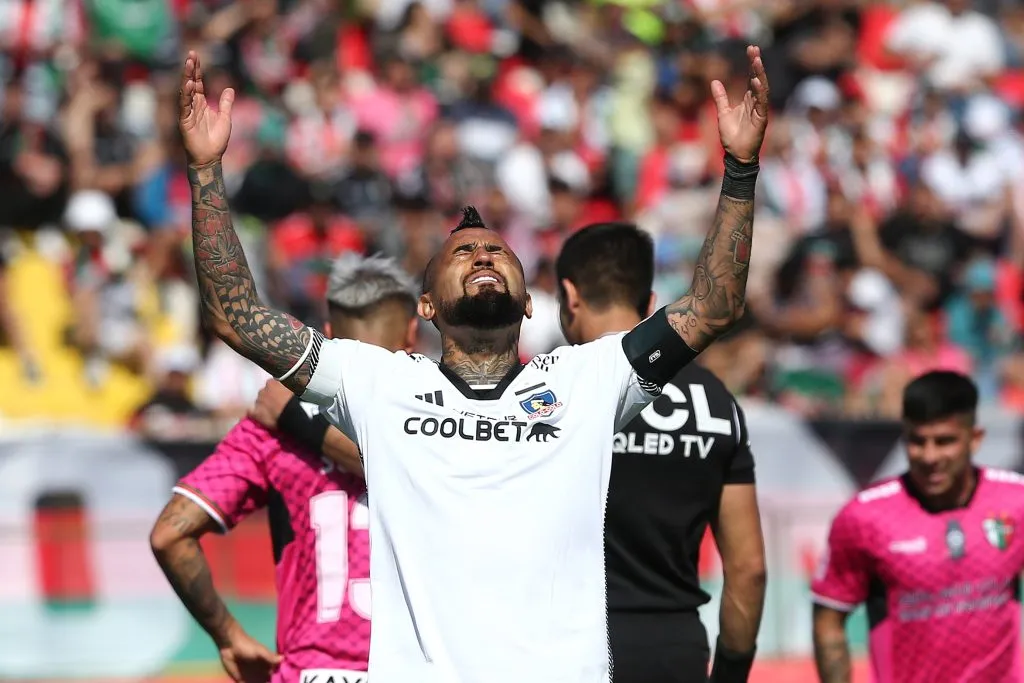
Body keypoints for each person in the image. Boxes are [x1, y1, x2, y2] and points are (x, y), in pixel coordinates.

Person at [177, 43, 769, 682]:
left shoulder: (588, 380)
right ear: (426, 306)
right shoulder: (381, 382)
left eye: (498, 251)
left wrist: (740, 167)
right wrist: (206, 172)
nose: (484, 256)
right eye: (463, 253)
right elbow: (236, 318)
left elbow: (713, 305)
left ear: (526, 296)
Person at [149, 253, 420, 683]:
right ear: (412, 334)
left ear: (329, 336)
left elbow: (169, 535)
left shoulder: (271, 428)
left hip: (310, 672)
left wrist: (229, 635)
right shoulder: (443, 425)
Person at [556, 223, 766, 683]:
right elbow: (748, 570)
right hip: (675, 650)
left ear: (570, 296)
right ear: (650, 304)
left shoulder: (550, 391)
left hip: (569, 648)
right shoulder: (715, 400)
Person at [811, 371, 1024, 683]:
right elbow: (829, 618)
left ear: (975, 438)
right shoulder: (865, 516)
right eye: (917, 441)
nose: (930, 456)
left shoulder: (1016, 500)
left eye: (945, 441)